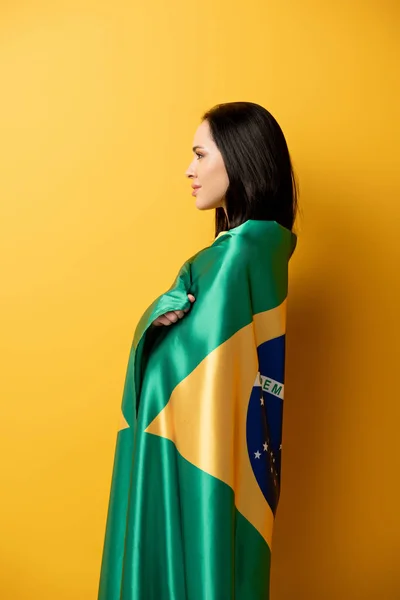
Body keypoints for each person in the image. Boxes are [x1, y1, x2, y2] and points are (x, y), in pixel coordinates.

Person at [98, 101, 298, 600]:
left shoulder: (231, 260)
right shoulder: (262, 253)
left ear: (239, 158)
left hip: (194, 470)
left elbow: (196, 397)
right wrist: (157, 324)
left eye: (200, 154)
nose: (189, 170)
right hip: (222, 474)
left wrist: (151, 329)